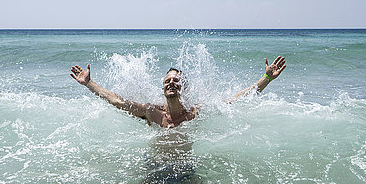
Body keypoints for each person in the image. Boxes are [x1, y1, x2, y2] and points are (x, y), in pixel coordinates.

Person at [69, 56, 287, 128]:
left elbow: (236, 100)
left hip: (184, 170)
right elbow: (117, 101)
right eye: (168, 80)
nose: (172, 83)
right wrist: (89, 83)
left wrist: (266, 78)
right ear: (162, 87)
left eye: (177, 81)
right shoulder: (150, 112)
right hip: (154, 168)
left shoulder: (194, 114)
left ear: (185, 88)